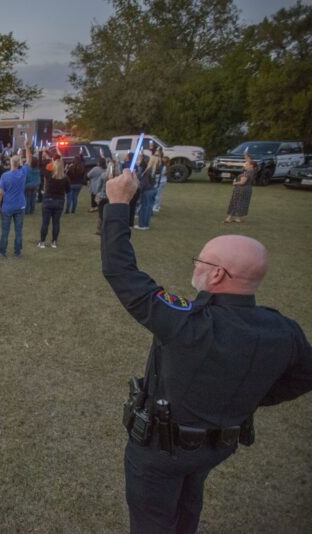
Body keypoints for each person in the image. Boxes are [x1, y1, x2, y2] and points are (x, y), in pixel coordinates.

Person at [102, 169, 312, 534]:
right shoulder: (285, 330)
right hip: (216, 445)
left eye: (200, 262)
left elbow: (122, 272)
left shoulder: (190, 323)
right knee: (187, 509)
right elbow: (302, 377)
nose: (196, 267)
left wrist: (118, 204)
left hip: (159, 451)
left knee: (153, 521)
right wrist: (239, 397)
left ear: (217, 276)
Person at [0, 142, 31, 257]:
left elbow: (0, 193)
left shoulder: (5, 176)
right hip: (20, 206)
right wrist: (26, 147)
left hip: (7, 207)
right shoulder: (22, 173)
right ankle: (17, 252)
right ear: (19, 163)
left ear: (11, 163)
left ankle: (2, 251)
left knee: (5, 231)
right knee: (18, 231)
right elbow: (29, 161)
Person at [38, 154, 70, 249]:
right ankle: (54, 242)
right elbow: (68, 191)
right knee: (56, 222)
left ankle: (42, 242)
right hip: (59, 201)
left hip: (48, 200)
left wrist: (40, 154)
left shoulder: (49, 175)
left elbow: (41, 167)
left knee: (45, 222)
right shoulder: (65, 178)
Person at [224, 159, 255, 224]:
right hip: (248, 189)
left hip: (241, 189)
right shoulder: (253, 171)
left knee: (235, 202)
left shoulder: (247, 173)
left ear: (251, 165)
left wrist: (235, 183)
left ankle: (229, 218)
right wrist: (232, 164)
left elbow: (242, 182)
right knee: (241, 203)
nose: (244, 165)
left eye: (246, 164)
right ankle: (237, 218)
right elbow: (243, 164)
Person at [134, 154, 158, 230]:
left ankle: (142, 225)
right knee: (148, 208)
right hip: (152, 190)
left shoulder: (147, 171)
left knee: (144, 208)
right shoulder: (153, 169)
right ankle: (145, 224)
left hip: (147, 191)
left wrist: (137, 183)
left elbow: (143, 184)